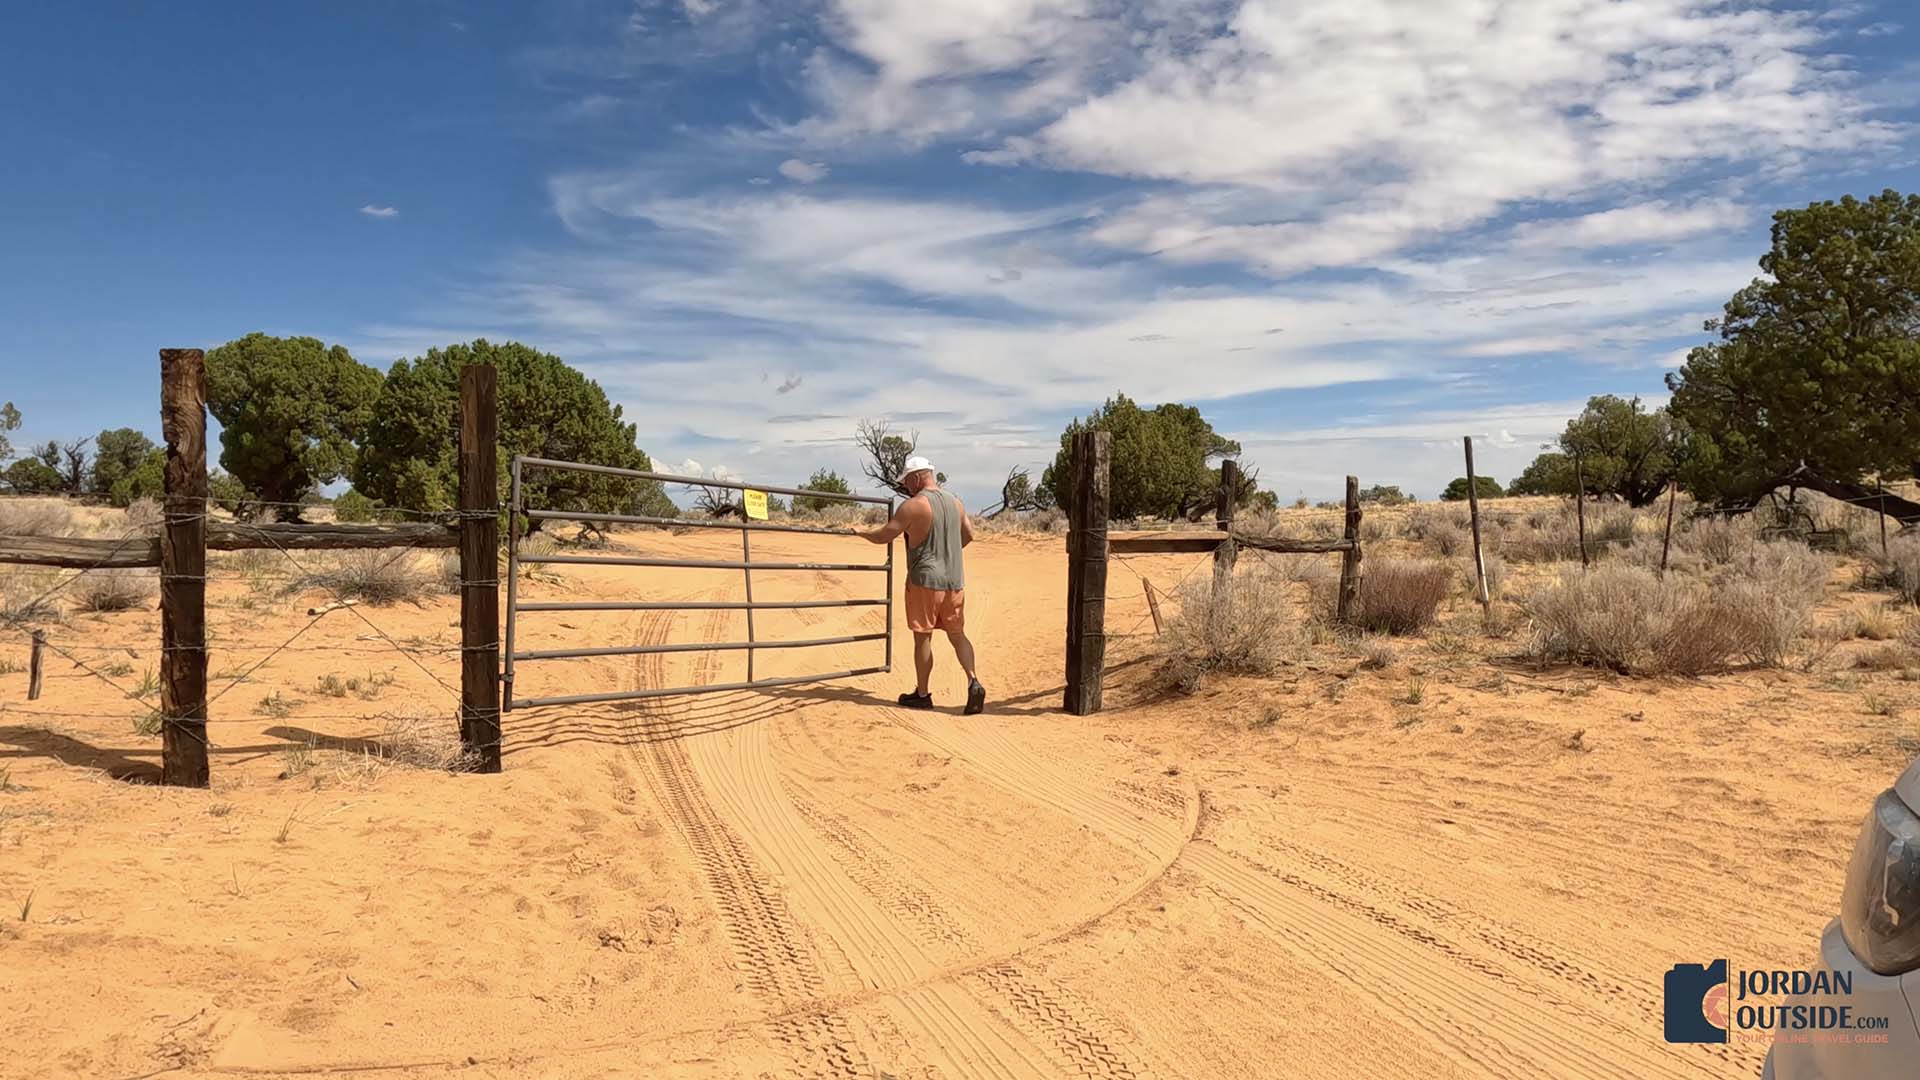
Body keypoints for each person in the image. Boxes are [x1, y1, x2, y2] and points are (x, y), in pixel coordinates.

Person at [860, 455, 985, 714]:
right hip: (954, 581)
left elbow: (885, 535)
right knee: (958, 635)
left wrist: (861, 534)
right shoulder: (956, 503)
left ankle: (923, 693)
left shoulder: (913, 506)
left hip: (924, 581)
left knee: (923, 638)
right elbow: (969, 535)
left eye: (907, 480)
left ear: (917, 477)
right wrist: (948, 550)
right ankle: (973, 680)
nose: (906, 485)